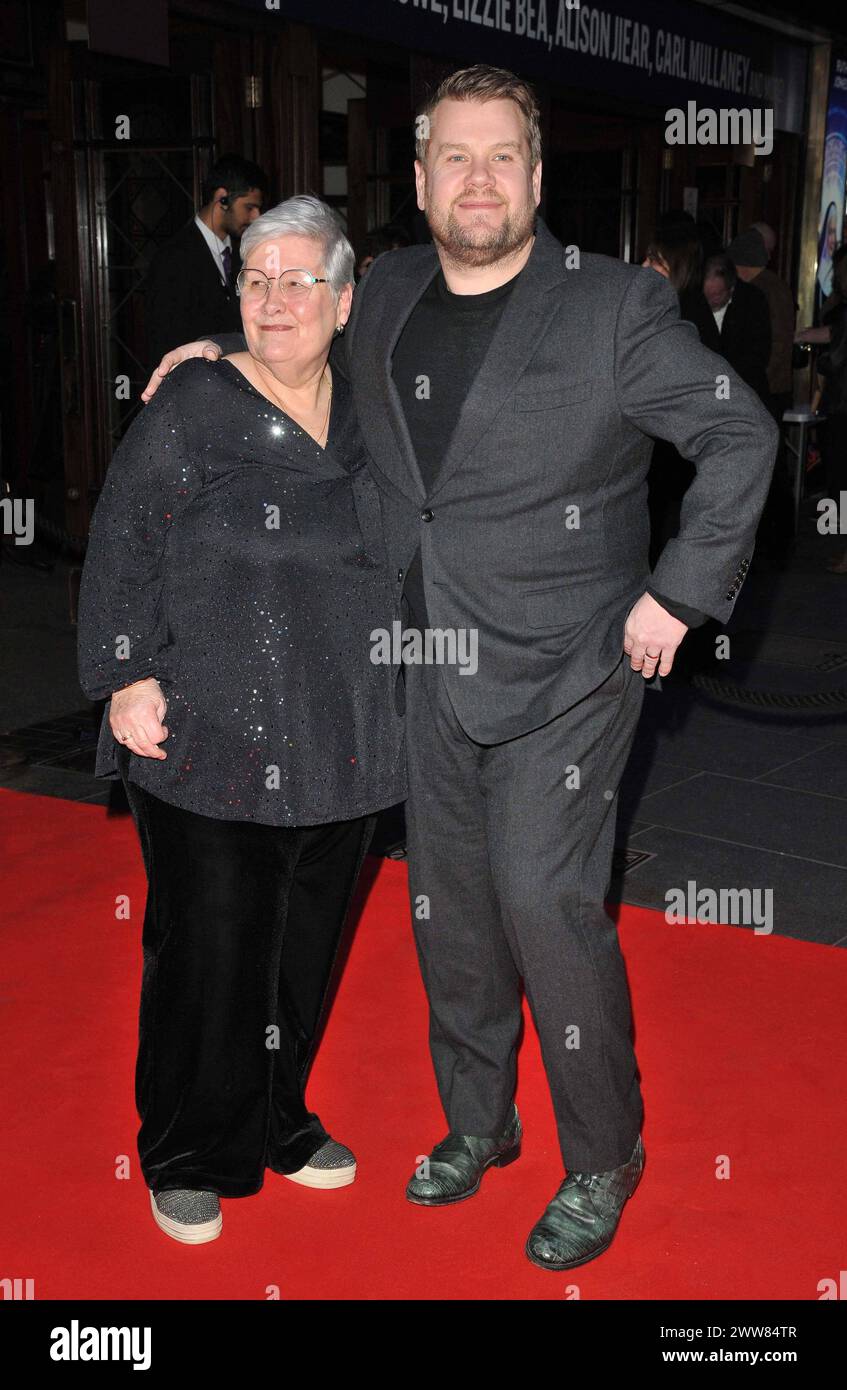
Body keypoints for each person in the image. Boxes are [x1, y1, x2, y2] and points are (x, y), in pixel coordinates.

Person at [143, 65, 778, 1272]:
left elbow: (738, 434)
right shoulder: (382, 289)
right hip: (419, 661)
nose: (476, 179)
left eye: (502, 157)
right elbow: (309, 333)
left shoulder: (609, 310)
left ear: (534, 179)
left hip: (565, 668)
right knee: (452, 915)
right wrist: (221, 339)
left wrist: (677, 594)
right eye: (453, 157)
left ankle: (603, 1152)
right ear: (421, 177)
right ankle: (478, 1122)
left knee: (542, 899)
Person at [77, 195, 406, 1244]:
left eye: (299, 280)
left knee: (303, 947)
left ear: (343, 301)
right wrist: (127, 674)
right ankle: (183, 1147)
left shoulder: (373, 410)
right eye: (255, 281)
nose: (274, 300)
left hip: (342, 731)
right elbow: (122, 536)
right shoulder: (191, 408)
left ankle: (278, 1117)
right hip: (206, 730)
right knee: (208, 950)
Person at [144, 154, 268, 368]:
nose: (256, 217)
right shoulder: (173, 258)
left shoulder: (248, 253)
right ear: (222, 199)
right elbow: (164, 340)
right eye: (249, 207)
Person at [696, 252, 772, 404]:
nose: (710, 302)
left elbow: (757, 355)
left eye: (716, 296)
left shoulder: (752, 302)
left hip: (743, 391)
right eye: (707, 296)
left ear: (731, 288)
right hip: (704, 392)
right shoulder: (694, 303)